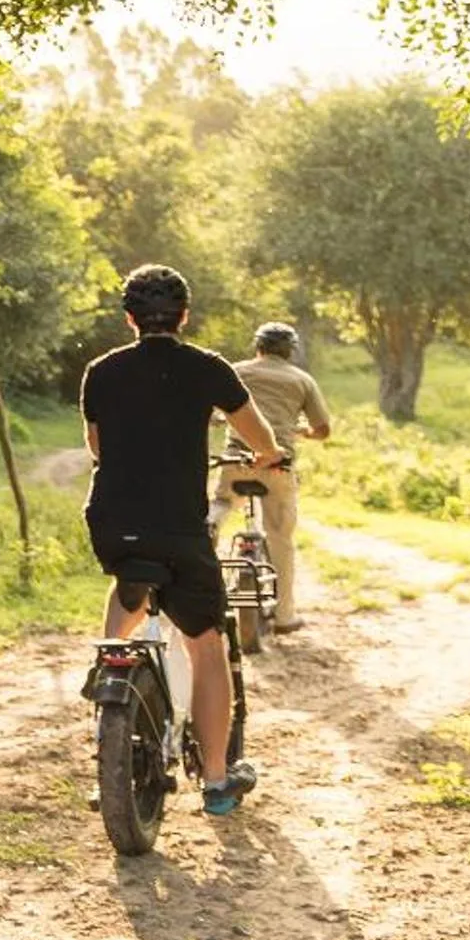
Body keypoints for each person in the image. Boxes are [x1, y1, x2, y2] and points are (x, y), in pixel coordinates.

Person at [82, 264, 285, 818]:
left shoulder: (100, 372)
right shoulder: (207, 368)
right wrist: (267, 456)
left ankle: (109, 669)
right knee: (205, 646)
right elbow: (257, 434)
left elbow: (97, 447)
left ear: (129, 319)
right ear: (184, 316)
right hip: (179, 528)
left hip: (113, 522)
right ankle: (217, 780)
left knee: (130, 584)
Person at [210, 321, 332, 634]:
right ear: (290, 352)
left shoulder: (235, 371)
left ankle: (212, 523)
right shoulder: (302, 380)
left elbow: (210, 413)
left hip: (237, 459)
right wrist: (301, 430)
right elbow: (323, 430)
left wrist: (220, 419)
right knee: (280, 537)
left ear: (258, 347)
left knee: (222, 502)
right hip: (278, 465)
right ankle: (284, 616)